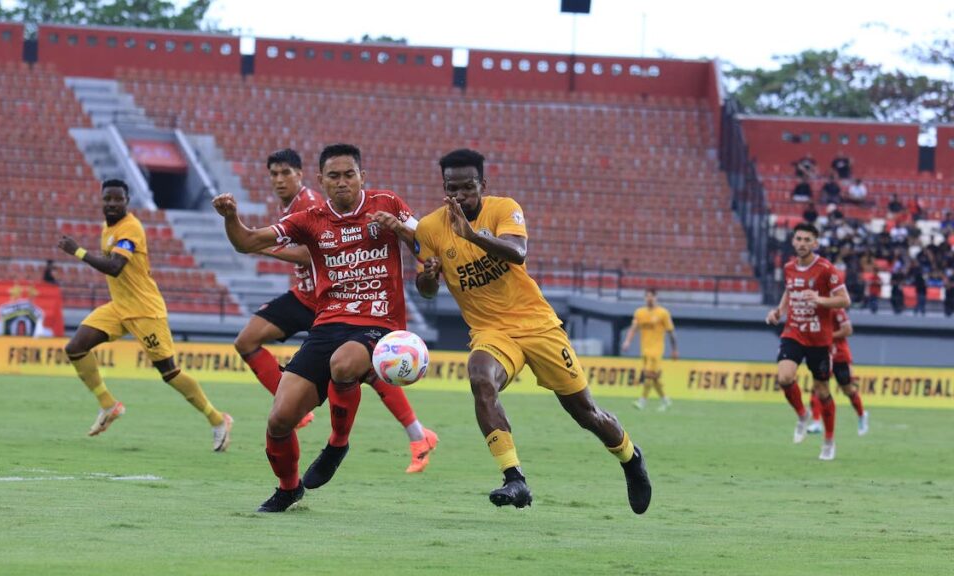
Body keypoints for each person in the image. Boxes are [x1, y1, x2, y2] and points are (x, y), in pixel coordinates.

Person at [413, 149, 651, 513]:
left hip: (537, 324)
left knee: (585, 413)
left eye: (468, 186)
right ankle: (514, 479)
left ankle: (631, 458)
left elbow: (517, 252)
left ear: (483, 185)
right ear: (443, 188)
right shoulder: (430, 228)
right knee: (480, 378)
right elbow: (427, 290)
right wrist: (427, 278)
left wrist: (473, 235)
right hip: (491, 331)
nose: (460, 195)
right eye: (452, 188)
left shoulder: (505, 208)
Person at [214, 143, 419, 513]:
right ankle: (289, 489)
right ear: (321, 180)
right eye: (334, 177)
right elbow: (246, 242)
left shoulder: (388, 203)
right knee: (279, 420)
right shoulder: (310, 218)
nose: (343, 183)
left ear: (362, 177)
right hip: (327, 323)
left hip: (378, 323)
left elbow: (427, 243)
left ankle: (337, 443)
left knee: (344, 364)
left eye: (349, 175)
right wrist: (231, 216)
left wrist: (402, 230)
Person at [58, 179, 233, 450]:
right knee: (76, 347)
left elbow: (115, 267)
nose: (113, 204)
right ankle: (109, 405)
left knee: (169, 373)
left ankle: (218, 419)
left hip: (144, 310)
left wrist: (78, 252)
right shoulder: (108, 228)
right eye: (108, 199)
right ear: (102, 200)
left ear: (127, 201)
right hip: (119, 306)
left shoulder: (131, 228)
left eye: (118, 199)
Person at [765, 223, 851, 461]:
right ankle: (803, 415)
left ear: (815, 243)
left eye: (807, 240)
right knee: (784, 377)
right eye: (798, 239)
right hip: (794, 332)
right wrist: (779, 311)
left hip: (819, 339)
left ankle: (829, 441)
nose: (802, 243)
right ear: (793, 241)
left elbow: (844, 300)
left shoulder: (826, 269)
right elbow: (789, 290)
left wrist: (820, 300)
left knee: (823, 391)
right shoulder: (789, 267)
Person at [806, 307, 869, 437]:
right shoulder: (815, 308)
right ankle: (817, 422)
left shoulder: (836, 309)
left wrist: (827, 336)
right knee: (818, 388)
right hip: (823, 354)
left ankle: (862, 415)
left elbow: (848, 330)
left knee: (848, 390)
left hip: (839, 356)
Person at [622, 288, 678, 411]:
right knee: (654, 377)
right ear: (644, 298)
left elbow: (671, 332)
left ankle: (642, 401)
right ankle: (665, 400)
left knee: (648, 375)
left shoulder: (663, 313)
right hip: (645, 350)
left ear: (656, 297)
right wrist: (627, 341)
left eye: (652, 296)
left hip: (657, 350)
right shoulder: (639, 313)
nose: (649, 298)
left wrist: (674, 349)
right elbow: (633, 329)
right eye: (647, 296)